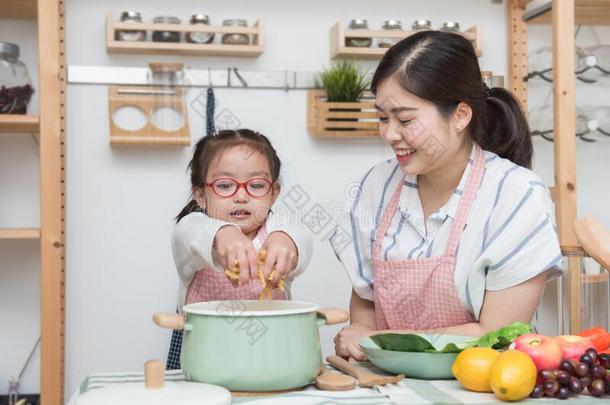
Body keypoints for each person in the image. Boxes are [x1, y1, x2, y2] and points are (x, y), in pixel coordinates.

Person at [331, 31, 562, 360]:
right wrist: (360, 342)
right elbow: (367, 295)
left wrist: (377, 338)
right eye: (383, 118)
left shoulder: (516, 196)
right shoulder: (376, 186)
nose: (389, 134)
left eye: (405, 119)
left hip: (485, 384)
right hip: (389, 382)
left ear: (460, 116)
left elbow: (494, 334)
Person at [167, 129, 312, 369]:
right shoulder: (194, 230)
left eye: (256, 185)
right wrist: (222, 233)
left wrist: (286, 239)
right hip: (206, 359)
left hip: (273, 357)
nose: (242, 196)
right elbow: (189, 231)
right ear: (201, 196)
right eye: (224, 186)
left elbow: (301, 236)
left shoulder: (279, 229)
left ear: (273, 193)